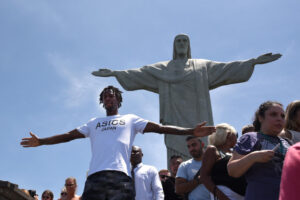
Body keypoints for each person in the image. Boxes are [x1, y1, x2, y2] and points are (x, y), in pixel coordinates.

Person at [92, 34, 282, 161]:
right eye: (178, 41)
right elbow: (140, 73)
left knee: (203, 155)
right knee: (177, 159)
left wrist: (253, 62)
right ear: (174, 46)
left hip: (199, 117)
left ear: (188, 46)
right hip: (174, 121)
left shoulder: (201, 66)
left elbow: (226, 68)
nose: (181, 44)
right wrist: (115, 73)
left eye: (184, 41)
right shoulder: (163, 69)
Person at [20, 85, 215, 200]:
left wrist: (190, 130)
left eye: (112, 95)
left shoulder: (130, 119)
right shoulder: (94, 123)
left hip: (120, 178)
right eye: (105, 96)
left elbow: (160, 128)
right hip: (95, 178)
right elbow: (68, 135)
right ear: (102, 101)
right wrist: (41, 141)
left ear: (118, 99)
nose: (108, 98)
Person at [227, 101, 291, 200]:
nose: (279, 118)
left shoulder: (288, 143)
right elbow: (232, 170)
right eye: (273, 114)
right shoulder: (251, 137)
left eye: (283, 116)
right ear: (260, 118)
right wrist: (253, 157)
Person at [201, 123, 246, 200]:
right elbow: (204, 177)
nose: (237, 138)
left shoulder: (235, 153)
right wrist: (220, 195)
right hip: (223, 196)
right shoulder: (212, 150)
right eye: (235, 134)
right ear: (228, 135)